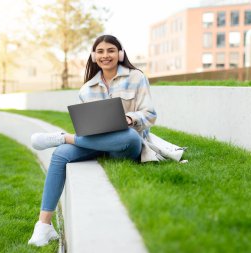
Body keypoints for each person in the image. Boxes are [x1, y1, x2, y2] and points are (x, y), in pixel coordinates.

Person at [28, 35, 185, 247]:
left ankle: (63, 137)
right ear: (94, 56)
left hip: (129, 142)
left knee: (128, 136)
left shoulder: (137, 77)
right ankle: (43, 226)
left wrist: (129, 118)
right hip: (98, 143)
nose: (105, 55)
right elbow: (88, 125)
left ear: (120, 53)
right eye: (100, 51)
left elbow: (150, 115)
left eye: (111, 50)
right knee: (60, 154)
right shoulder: (86, 89)